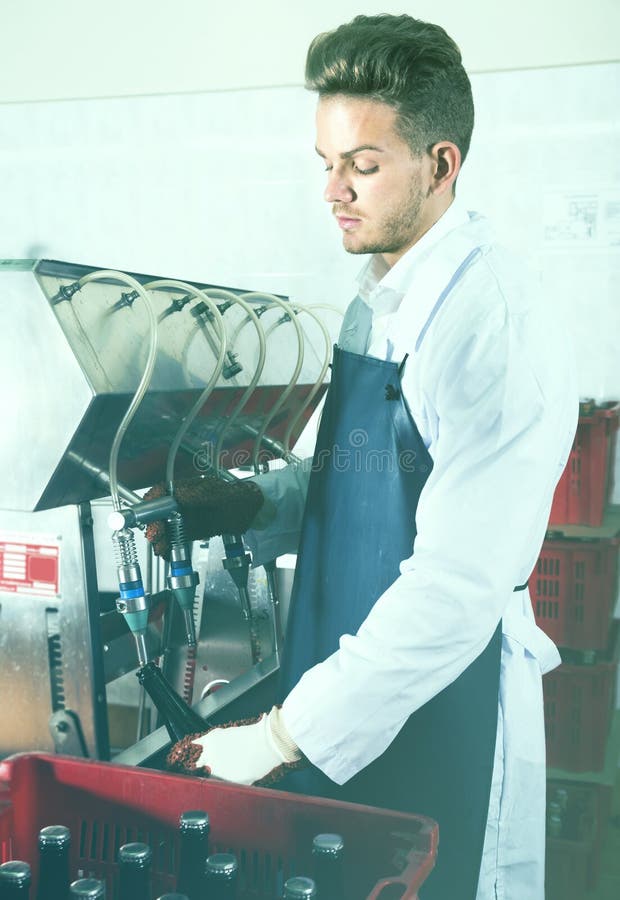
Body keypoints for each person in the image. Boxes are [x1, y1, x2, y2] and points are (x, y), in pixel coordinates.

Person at [156, 14, 578, 899]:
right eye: (326, 163)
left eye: (364, 165)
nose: (333, 191)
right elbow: (356, 478)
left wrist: (278, 736)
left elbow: (456, 586)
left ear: (440, 164)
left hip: (443, 698)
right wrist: (254, 503)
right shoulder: (377, 296)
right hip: (345, 666)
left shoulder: (485, 322)